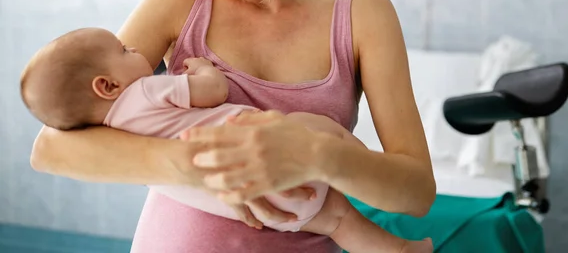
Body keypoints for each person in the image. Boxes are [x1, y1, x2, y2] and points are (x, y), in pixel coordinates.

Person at [29, 0, 437, 252]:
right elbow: (53, 149)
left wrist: (318, 155)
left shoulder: (364, 16)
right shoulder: (179, 1)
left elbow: (416, 194)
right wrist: (205, 167)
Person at [21, 27, 432, 253]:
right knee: (330, 173)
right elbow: (47, 149)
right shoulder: (144, 90)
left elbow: (415, 193)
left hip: (267, 211)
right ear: (107, 84)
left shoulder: (109, 127)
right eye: (126, 49)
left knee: (337, 218)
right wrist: (200, 70)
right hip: (275, 180)